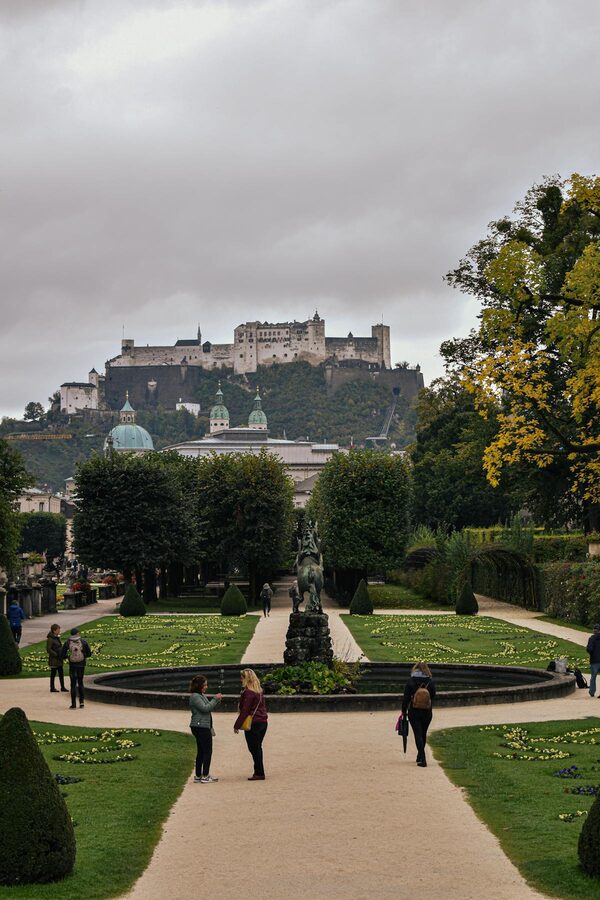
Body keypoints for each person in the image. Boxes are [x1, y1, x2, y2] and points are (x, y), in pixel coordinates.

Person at [234, 668, 268, 780]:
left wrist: (237, 725)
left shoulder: (248, 692)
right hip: (263, 722)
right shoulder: (259, 690)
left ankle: (259, 772)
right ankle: (259, 771)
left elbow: (245, 711)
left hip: (253, 723)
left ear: (246, 679)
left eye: (241, 677)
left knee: (254, 748)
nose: (240, 680)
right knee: (257, 747)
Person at [401, 661, 436, 767]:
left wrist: (403, 711)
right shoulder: (430, 681)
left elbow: (406, 698)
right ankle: (419, 755)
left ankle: (423, 758)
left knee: (417, 733)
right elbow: (433, 695)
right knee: (423, 733)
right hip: (427, 711)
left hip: (414, 711)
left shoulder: (411, 681)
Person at [189, 674, 222, 783]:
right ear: (199, 686)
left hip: (201, 726)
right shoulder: (195, 696)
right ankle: (205, 775)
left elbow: (208, 706)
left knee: (202, 751)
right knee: (207, 751)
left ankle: (199, 775)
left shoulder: (200, 695)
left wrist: (216, 700)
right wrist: (215, 699)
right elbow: (205, 708)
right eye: (205, 685)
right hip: (201, 727)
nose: (206, 687)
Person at [60, 627, 92, 709]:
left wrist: (69, 657)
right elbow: (89, 654)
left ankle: (73, 704)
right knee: (80, 683)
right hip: (81, 665)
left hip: (73, 665)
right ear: (77, 633)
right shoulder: (83, 642)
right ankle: (81, 703)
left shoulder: (68, 642)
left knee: (73, 684)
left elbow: (62, 655)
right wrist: (83, 655)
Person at [46, 624, 68, 693]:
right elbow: (48, 649)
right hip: (54, 659)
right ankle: (52, 688)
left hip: (59, 658)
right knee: (53, 673)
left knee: (61, 673)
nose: (59, 631)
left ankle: (62, 687)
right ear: (54, 630)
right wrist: (56, 654)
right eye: (58, 630)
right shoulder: (50, 639)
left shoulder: (56, 637)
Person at [586, 624, 600, 698]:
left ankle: (592, 692)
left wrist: (591, 654)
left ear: (594, 630)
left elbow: (589, 649)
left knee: (593, 677)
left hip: (594, 660)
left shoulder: (592, 638)